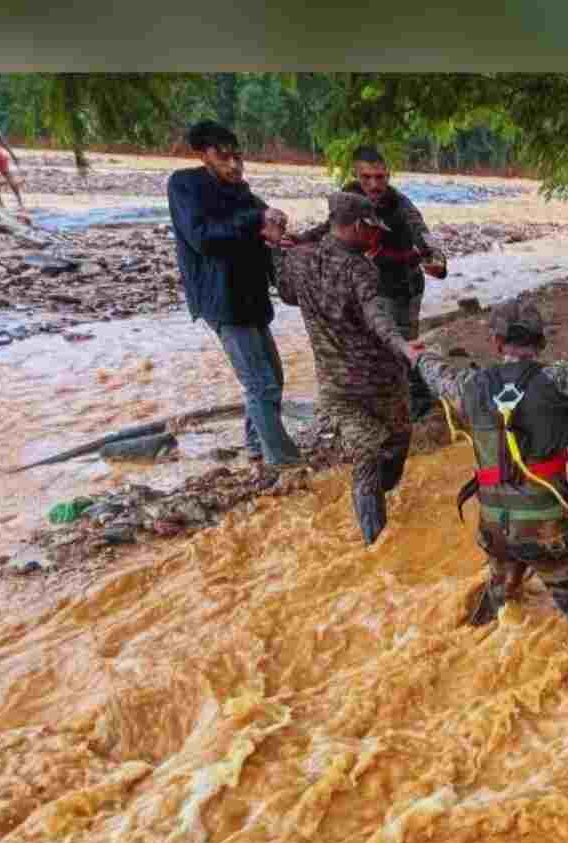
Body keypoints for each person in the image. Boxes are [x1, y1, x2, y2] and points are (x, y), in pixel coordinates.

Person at [413, 299, 568, 625]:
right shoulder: (560, 381)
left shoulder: (469, 385)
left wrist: (416, 355)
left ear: (496, 342)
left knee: (500, 604)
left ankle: (484, 627)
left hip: (494, 530)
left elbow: (433, 371)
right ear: (541, 343)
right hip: (545, 529)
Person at [265, 191, 427, 544]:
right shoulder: (359, 268)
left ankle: (380, 511)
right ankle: (378, 548)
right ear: (355, 226)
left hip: (354, 386)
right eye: (372, 229)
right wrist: (402, 345)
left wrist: (277, 247)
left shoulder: (299, 258)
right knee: (371, 452)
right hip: (366, 386)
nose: (376, 236)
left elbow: (288, 293)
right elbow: (376, 313)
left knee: (395, 447)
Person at [167, 121, 303, 471]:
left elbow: (264, 228)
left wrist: (276, 232)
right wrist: (257, 219)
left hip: (252, 297)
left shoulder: (242, 191)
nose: (234, 165)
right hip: (221, 300)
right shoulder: (184, 186)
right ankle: (283, 463)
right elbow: (203, 238)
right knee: (261, 385)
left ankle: (258, 447)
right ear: (203, 155)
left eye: (237, 157)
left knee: (272, 378)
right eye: (223, 157)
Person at [292, 146, 448, 420]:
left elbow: (423, 234)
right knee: (370, 345)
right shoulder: (349, 197)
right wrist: (299, 241)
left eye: (380, 177)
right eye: (367, 178)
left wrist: (437, 259)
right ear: (356, 175)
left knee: (403, 346)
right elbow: (329, 226)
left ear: (388, 175)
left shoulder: (400, 204)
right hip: (363, 284)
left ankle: (422, 403)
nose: (374, 185)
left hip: (402, 285)